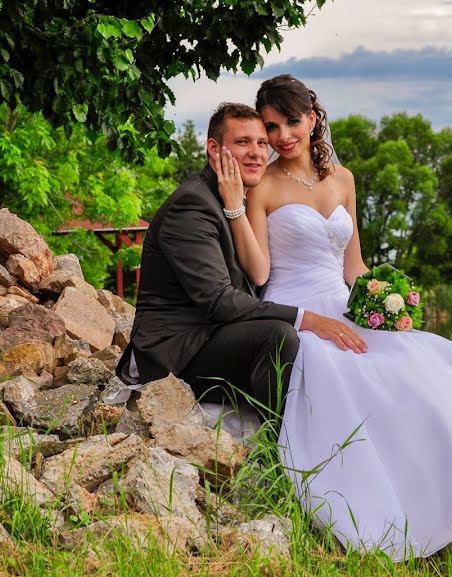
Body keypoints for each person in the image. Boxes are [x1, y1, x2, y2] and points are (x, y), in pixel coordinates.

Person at [215, 75, 452, 561]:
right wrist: (235, 210)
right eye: (271, 127)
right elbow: (261, 272)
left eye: (292, 121)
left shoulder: (344, 179)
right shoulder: (264, 185)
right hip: (299, 313)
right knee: (354, 381)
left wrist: (384, 301)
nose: (283, 136)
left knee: (432, 361)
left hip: (345, 307)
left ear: (313, 118)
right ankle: (404, 512)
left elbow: (352, 266)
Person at [115, 103, 366, 417]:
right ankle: (276, 440)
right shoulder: (192, 205)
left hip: (212, 335)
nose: (257, 153)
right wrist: (310, 319)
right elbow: (219, 301)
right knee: (279, 336)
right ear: (214, 149)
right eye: (242, 142)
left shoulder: (231, 201)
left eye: (262, 143)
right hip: (177, 351)